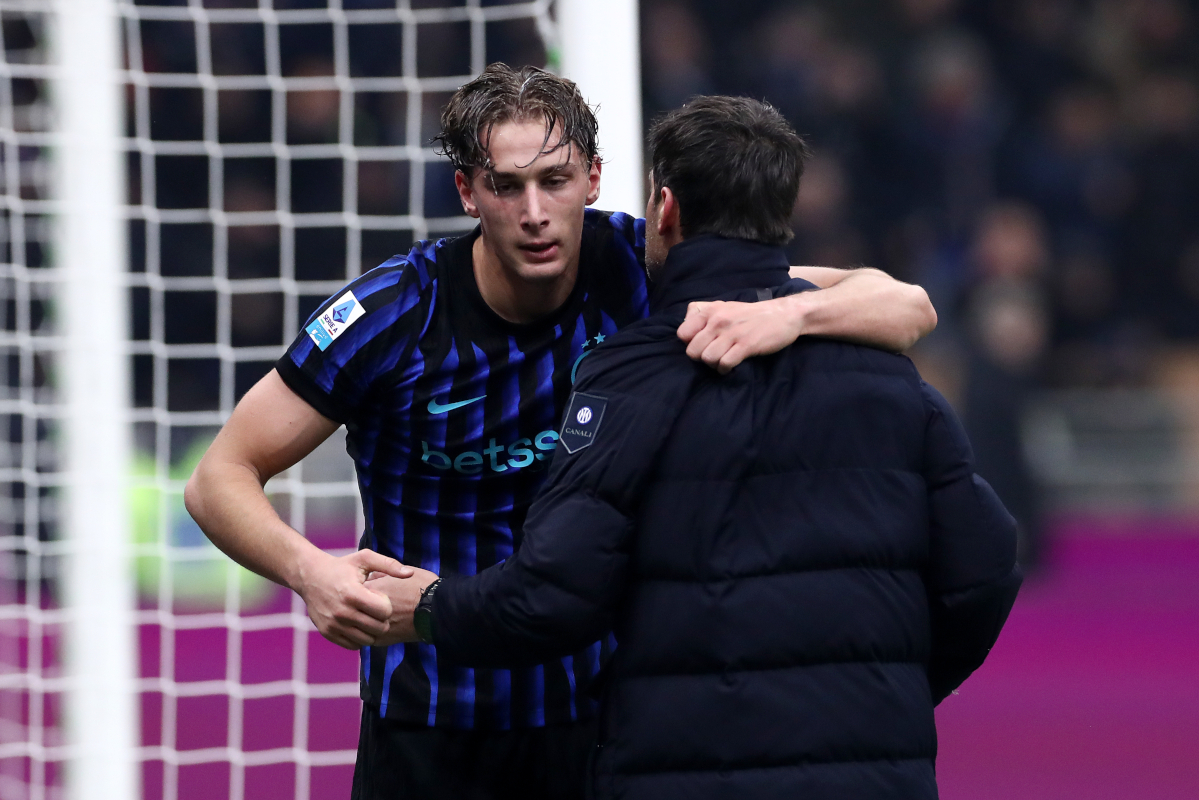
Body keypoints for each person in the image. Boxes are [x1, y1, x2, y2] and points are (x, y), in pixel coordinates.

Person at [184, 65, 937, 800]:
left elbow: (904, 305)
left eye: (555, 180)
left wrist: (788, 312)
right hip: (429, 725)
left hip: (602, 724)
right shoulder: (391, 316)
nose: (535, 211)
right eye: (507, 186)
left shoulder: (646, 271)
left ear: (595, 179)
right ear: (467, 192)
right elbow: (218, 477)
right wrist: (309, 571)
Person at [381, 96, 1022, 799]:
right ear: (786, 214)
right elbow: (986, 566)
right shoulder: (891, 377)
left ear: (664, 210)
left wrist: (434, 608)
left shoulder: (630, 375)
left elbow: (555, 593)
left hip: (681, 767)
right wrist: (889, 686)